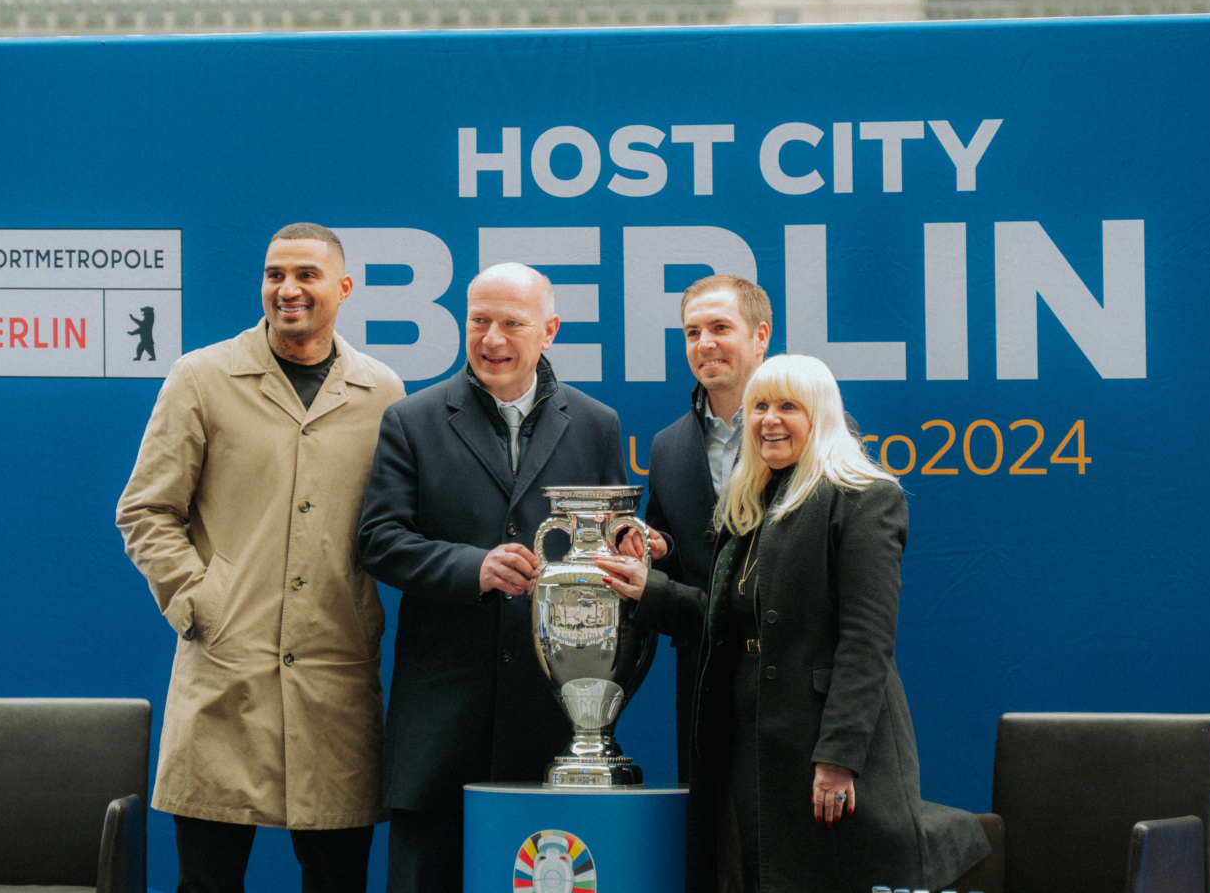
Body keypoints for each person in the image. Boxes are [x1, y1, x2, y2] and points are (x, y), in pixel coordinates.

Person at [599, 355, 990, 893]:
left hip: (821, 748)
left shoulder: (865, 497)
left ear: (821, 416)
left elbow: (867, 641)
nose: (769, 419)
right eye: (759, 406)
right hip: (746, 742)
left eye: (788, 406)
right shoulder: (751, 503)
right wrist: (651, 591)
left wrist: (837, 758)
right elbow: (727, 623)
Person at [117, 222, 404, 893]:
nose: (288, 289)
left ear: (344, 286)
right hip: (225, 673)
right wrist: (201, 602)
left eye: (306, 274)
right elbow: (146, 509)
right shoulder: (202, 376)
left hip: (334, 677)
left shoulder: (383, 391)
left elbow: (400, 523)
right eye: (275, 274)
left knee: (338, 881)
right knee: (207, 881)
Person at [358, 262, 629, 893]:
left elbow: (613, 543)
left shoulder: (596, 424)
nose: (492, 338)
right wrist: (471, 567)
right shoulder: (412, 419)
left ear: (550, 330)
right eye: (479, 320)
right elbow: (379, 540)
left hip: (553, 717)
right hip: (440, 723)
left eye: (513, 322)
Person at [642, 274, 772, 782]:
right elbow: (676, 562)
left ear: (760, 337)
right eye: (692, 332)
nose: (705, 343)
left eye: (721, 327)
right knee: (710, 846)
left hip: (787, 681)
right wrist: (655, 549)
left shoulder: (811, 428)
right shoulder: (667, 447)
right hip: (701, 686)